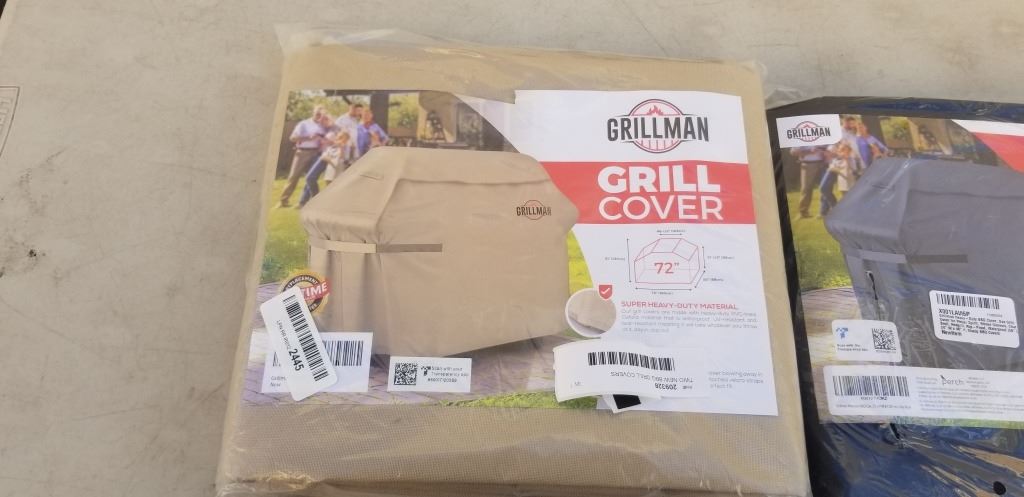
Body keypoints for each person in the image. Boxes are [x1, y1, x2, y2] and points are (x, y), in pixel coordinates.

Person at [279, 106, 328, 208]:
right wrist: (308, 138)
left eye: (321, 114)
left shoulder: (323, 125)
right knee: (293, 176)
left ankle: (303, 202)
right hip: (302, 152)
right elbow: (292, 138)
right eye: (317, 114)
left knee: (310, 177)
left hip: (316, 153)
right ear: (313, 112)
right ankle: (283, 201)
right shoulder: (304, 124)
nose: (319, 116)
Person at [298, 131, 355, 207]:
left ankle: (320, 203)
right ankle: (314, 201)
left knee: (332, 187)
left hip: (337, 169)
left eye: (341, 137)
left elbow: (342, 159)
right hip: (330, 168)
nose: (338, 138)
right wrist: (331, 160)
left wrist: (339, 149)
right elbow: (324, 156)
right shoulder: (333, 146)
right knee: (314, 180)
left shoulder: (345, 147)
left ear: (346, 139)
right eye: (338, 136)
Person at [819, 143, 860, 217]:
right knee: (844, 197)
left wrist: (846, 160)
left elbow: (853, 170)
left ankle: (854, 212)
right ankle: (846, 213)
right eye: (841, 151)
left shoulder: (851, 159)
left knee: (851, 197)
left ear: (849, 151)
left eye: (845, 151)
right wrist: (835, 168)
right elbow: (832, 168)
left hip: (850, 181)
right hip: (842, 181)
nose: (843, 152)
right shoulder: (837, 160)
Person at [791, 145, 829, 219]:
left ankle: (824, 212)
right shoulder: (800, 139)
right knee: (806, 189)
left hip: (824, 163)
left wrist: (824, 151)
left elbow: (830, 147)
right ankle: (803, 213)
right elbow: (793, 152)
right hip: (807, 164)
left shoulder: (822, 137)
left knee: (825, 187)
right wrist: (809, 151)